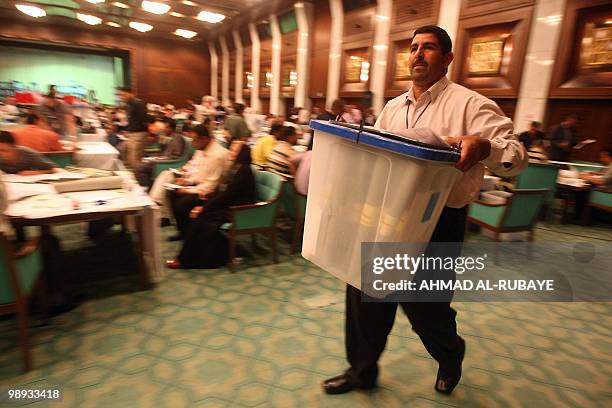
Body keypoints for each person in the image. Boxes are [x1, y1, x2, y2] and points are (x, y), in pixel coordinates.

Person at [322, 25, 528, 396]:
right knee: (366, 295)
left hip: (440, 221)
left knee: (426, 311)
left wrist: (483, 147)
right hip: (386, 215)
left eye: (429, 48)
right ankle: (361, 371)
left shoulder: (470, 103)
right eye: (414, 47)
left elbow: (515, 155)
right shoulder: (392, 108)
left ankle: (451, 354)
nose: (418, 54)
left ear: (447, 58)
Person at [165, 143, 257, 269]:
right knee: (198, 215)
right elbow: (226, 193)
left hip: (239, 211)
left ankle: (187, 259)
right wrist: (210, 196)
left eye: (234, 151)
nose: (230, 152)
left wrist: (204, 207)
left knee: (201, 218)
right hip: (230, 205)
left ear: (241, 154)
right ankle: (190, 255)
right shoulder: (236, 167)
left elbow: (228, 195)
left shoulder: (243, 170)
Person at [167, 124, 228, 240]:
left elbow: (210, 185)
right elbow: (199, 174)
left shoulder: (217, 155)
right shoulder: (202, 149)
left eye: (195, 140)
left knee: (183, 203)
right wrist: (186, 181)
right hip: (201, 186)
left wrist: (187, 190)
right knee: (172, 193)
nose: (193, 143)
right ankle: (183, 232)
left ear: (204, 139)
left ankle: (190, 235)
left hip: (213, 193)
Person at [134, 119, 187, 189]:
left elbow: (176, 156)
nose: (165, 129)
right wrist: (158, 158)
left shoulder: (178, 138)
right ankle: (148, 188)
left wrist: (160, 159)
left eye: (167, 127)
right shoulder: (171, 137)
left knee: (140, 168)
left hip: (168, 164)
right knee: (140, 165)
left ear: (172, 128)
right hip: (162, 161)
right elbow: (165, 153)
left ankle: (148, 189)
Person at [118, 86, 148, 168]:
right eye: (120, 95)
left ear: (131, 93)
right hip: (133, 133)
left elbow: (143, 119)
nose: (121, 97)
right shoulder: (128, 105)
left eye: (123, 95)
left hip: (139, 133)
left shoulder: (138, 104)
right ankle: (134, 175)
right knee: (125, 152)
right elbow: (131, 119)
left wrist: (131, 129)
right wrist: (128, 130)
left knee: (135, 158)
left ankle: (138, 178)